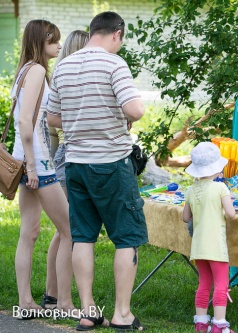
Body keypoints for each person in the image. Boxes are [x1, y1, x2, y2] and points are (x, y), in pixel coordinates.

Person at [47, 12, 147, 331]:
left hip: (76, 164)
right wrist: (118, 117)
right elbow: (135, 110)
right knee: (126, 237)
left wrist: (82, 122)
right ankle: (121, 313)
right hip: (112, 164)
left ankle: (88, 311)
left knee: (83, 237)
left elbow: (52, 116)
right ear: (117, 34)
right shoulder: (113, 63)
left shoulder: (64, 65)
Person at [11, 19, 76, 318]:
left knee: (30, 232)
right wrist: (34, 167)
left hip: (24, 159)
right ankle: (63, 302)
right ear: (42, 41)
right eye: (55, 41)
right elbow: (25, 122)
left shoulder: (24, 69)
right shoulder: (36, 70)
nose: (60, 46)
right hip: (36, 161)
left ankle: (26, 302)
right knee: (69, 230)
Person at [44, 29, 89, 311]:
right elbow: (52, 125)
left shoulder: (62, 78)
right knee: (69, 231)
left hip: (62, 157)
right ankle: (62, 300)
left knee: (63, 231)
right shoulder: (70, 81)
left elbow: (53, 130)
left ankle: (52, 295)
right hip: (68, 160)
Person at [182, 142, 236, 333]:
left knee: (204, 283)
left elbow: (185, 217)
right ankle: (220, 325)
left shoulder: (191, 190)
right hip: (216, 247)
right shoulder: (220, 188)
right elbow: (230, 214)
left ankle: (201, 323)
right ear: (218, 167)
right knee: (222, 284)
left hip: (199, 247)